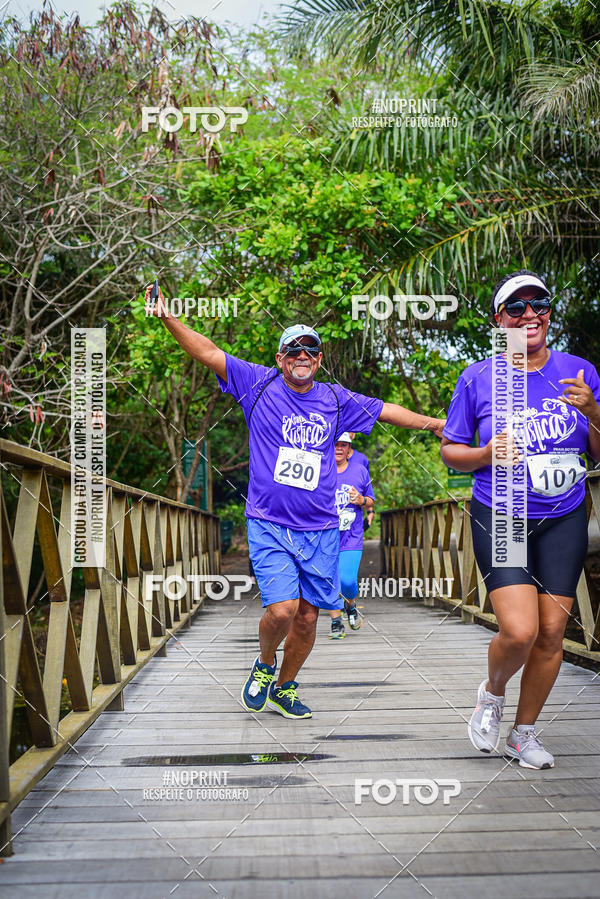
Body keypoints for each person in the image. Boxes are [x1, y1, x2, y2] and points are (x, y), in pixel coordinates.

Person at [146, 286, 445, 719]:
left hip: (322, 528)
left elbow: (386, 410)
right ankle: (265, 664)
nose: (302, 354)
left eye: (311, 349)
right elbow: (208, 352)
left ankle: (285, 687)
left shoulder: (334, 399)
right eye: (293, 349)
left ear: (319, 360)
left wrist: (432, 422)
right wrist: (168, 318)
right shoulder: (257, 384)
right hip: (268, 522)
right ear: (280, 357)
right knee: (282, 609)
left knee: (307, 618)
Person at [441, 270, 600, 768]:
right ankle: (492, 694)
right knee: (518, 632)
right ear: (499, 320)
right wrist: (486, 453)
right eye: (516, 307)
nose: (529, 315)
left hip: (565, 515)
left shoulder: (581, 371)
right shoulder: (477, 377)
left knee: (553, 632)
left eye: (539, 305)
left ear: (549, 312)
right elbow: (450, 452)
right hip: (504, 514)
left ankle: (523, 733)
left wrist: (593, 410)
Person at [329, 433, 374, 638]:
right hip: (325, 536)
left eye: (343, 445)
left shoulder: (359, 470)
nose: (339, 448)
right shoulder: (321, 470)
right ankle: (336, 621)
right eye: (335, 444)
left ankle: (351, 605)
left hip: (351, 536)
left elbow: (371, 500)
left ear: (349, 450)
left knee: (347, 581)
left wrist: (361, 500)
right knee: (329, 580)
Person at [348, 433, 375, 531]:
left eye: (349, 432)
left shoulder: (361, 459)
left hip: (354, 516)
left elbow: (366, 488)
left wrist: (370, 512)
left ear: (353, 435)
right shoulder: (330, 456)